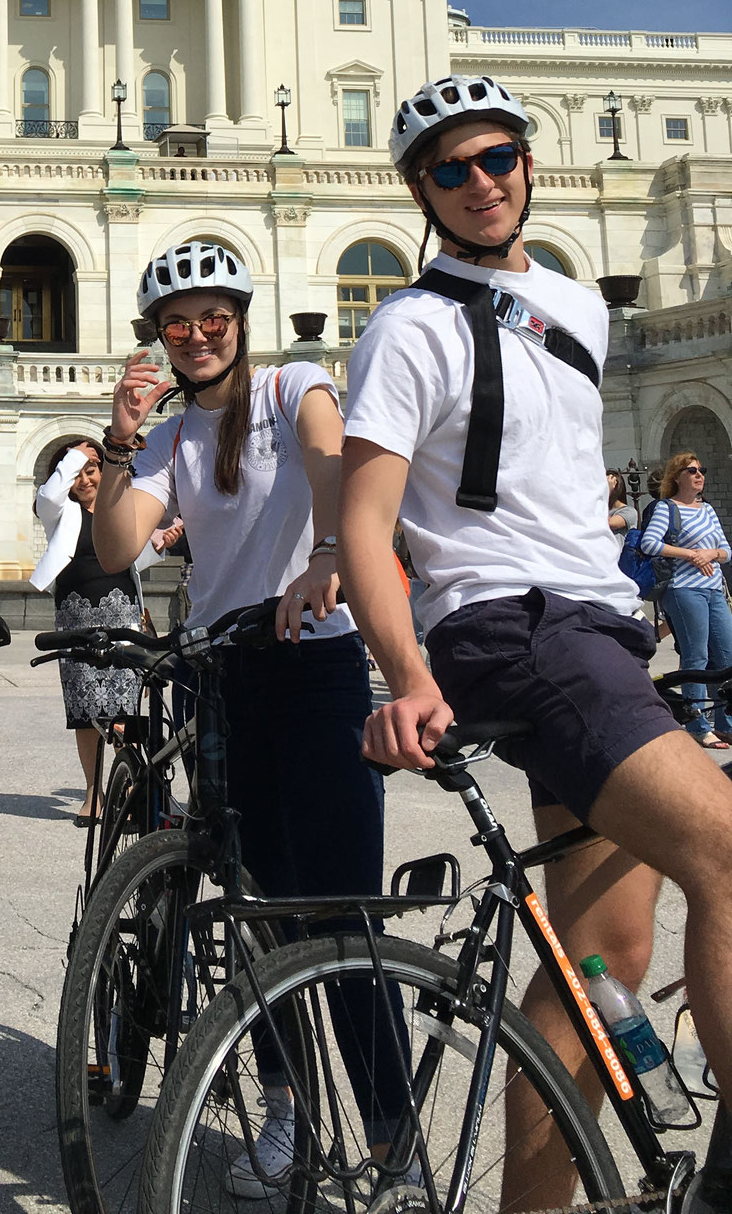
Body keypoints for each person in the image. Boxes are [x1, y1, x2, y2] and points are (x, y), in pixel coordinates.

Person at [337, 73, 732, 1214]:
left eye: (496, 156)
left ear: (528, 162)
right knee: (724, 844)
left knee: (598, 964)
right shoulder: (408, 326)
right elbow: (366, 519)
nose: (479, 182)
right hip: (511, 627)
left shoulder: (581, 306)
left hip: (598, 627)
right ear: (420, 188)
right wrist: (407, 673)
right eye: (449, 168)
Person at [92, 238, 402, 1189]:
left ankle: (391, 1141)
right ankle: (289, 1114)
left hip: (313, 665)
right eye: (176, 325)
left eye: (212, 320)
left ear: (239, 321)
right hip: (222, 675)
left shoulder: (292, 386)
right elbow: (114, 550)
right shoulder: (169, 437)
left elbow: (328, 467)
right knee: (253, 916)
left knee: (342, 911)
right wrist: (116, 440)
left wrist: (324, 552)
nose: (195, 336)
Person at [33, 441, 155, 825]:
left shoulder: (119, 507)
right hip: (75, 620)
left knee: (124, 709)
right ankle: (93, 795)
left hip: (122, 616)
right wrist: (77, 454)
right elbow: (48, 495)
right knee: (84, 714)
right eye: (78, 473)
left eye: (92, 470)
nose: (85, 480)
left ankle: (133, 787)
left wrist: (161, 544)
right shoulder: (60, 512)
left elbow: (136, 556)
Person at [640, 451, 732, 749]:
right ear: (677, 476)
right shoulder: (668, 508)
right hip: (684, 590)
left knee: (727, 657)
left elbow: (727, 550)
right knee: (697, 658)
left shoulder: (706, 510)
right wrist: (692, 555)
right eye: (691, 470)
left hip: (714, 589)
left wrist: (711, 554)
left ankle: (726, 723)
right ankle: (696, 722)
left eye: (701, 469)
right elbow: (650, 543)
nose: (699, 474)